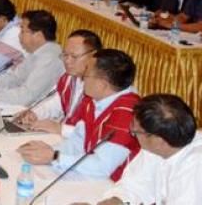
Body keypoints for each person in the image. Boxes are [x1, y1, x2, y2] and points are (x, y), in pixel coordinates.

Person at [17, 49, 140, 181]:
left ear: (102, 84)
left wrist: (55, 156)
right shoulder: (94, 99)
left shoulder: (128, 113)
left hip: (116, 186)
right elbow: (78, 141)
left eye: (86, 75)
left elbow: (103, 167)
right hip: (90, 177)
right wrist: (47, 151)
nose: (82, 79)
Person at [99, 94, 202, 205]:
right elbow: (136, 184)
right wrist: (117, 200)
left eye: (135, 131)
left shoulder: (199, 165)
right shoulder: (162, 144)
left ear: (158, 140)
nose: (132, 132)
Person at [0, 10, 63, 106]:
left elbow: (24, 97)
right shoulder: (38, 53)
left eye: (23, 31)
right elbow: (14, 78)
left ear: (38, 36)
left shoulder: (49, 60)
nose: (19, 36)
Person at [17, 29, 103, 136]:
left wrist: (61, 129)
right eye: (65, 55)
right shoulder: (69, 77)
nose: (67, 61)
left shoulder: (102, 89)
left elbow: (98, 134)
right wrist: (35, 113)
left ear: (94, 56)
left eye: (74, 56)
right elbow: (56, 103)